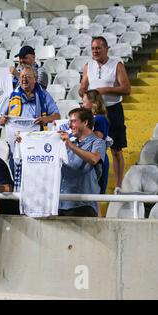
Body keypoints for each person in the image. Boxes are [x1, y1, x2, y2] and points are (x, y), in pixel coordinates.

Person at [79, 36, 131, 190]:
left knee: (116, 149)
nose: (95, 51)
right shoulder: (88, 66)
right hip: (94, 112)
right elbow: (82, 86)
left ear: (106, 49)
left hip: (113, 110)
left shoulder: (117, 65)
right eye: (93, 48)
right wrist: (84, 93)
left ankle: (118, 186)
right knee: (93, 147)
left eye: (98, 48)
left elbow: (127, 89)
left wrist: (104, 90)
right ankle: (93, 183)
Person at [59, 108, 107, 217]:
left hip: (83, 205)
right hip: (61, 204)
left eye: (73, 121)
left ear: (85, 123)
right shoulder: (68, 144)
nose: (70, 126)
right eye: (69, 122)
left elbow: (94, 159)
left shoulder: (98, 142)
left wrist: (70, 146)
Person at [82, 90, 110, 194]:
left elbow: (97, 139)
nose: (82, 105)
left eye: (84, 102)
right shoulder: (92, 119)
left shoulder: (100, 119)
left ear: (93, 103)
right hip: (89, 157)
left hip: (98, 158)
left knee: (96, 196)